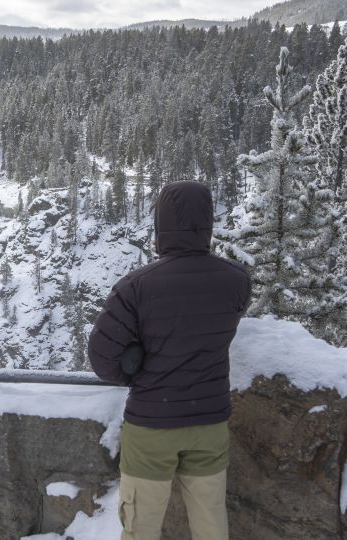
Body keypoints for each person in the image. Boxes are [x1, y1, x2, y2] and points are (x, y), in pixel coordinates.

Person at [88, 181, 251, 540]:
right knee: (210, 521)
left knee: (141, 525)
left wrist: (135, 368)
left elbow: (102, 360)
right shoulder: (237, 280)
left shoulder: (135, 287)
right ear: (208, 224)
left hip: (152, 425)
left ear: (161, 226)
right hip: (209, 423)